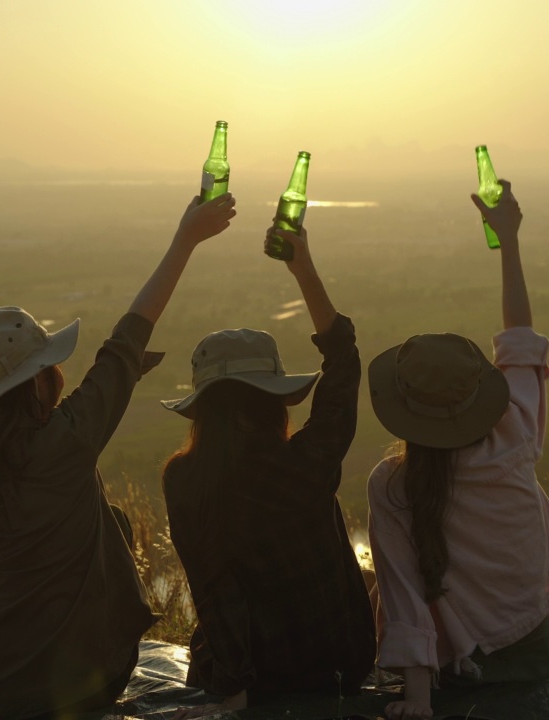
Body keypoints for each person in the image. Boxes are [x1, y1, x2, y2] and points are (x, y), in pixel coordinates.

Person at [0, 193, 238, 720]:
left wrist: (123, 373)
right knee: (108, 521)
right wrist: (187, 237)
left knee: (107, 518)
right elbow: (133, 328)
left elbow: (116, 358)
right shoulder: (64, 442)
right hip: (58, 698)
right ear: (41, 377)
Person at [366, 180, 549, 720]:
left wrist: (416, 702)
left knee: (371, 592)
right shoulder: (514, 433)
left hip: (461, 674)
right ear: (478, 397)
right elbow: (520, 337)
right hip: (544, 655)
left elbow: (404, 594)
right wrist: (508, 239)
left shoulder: (392, 484)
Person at [161, 224, 376, 720]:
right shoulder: (305, 465)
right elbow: (343, 362)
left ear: (204, 410)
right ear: (275, 402)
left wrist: (233, 687)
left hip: (254, 674)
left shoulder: (185, 479)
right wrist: (301, 266)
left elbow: (213, 589)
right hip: (338, 665)